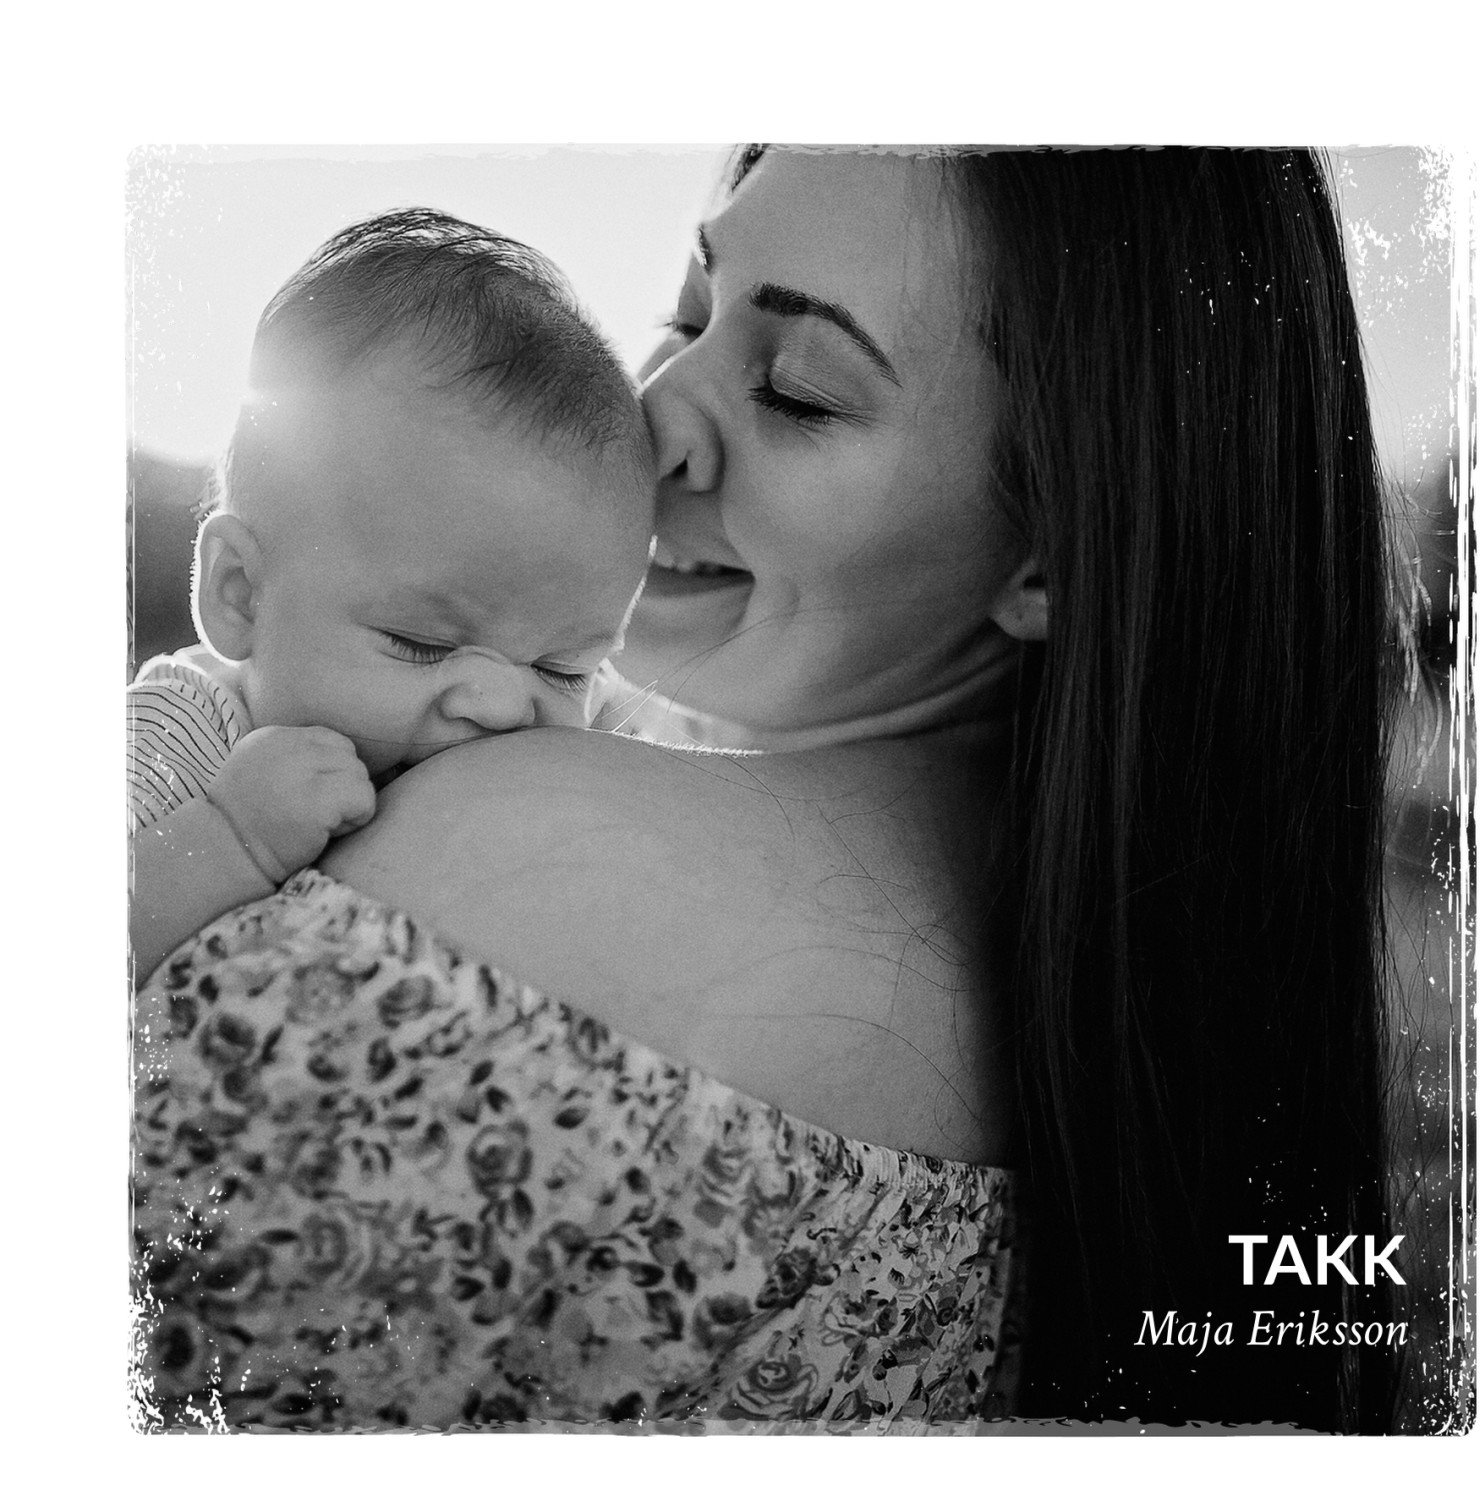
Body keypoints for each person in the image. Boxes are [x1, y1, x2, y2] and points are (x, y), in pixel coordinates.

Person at [132, 147, 1403, 1432]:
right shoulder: (1133, 1048)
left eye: (798, 391)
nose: (654, 414)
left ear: (1052, 553)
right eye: (687, 314)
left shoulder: (518, 853)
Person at [128, 209, 654, 987]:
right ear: (241, 595)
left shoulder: (586, 735)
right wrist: (232, 837)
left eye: (562, 669)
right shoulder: (180, 736)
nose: (502, 706)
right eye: (422, 644)